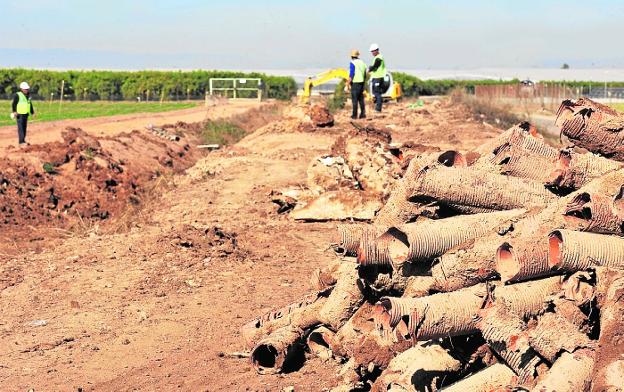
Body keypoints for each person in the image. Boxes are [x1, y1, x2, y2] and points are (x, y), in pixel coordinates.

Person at [348, 49, 367, 119]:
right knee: (361, 99)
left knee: (355, 100)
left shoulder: (352, 63)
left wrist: (347, 83)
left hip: (355, 83)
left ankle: (354, 115)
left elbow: (352, 74)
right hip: (361, 83)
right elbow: (365, 74)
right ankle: (363, 114)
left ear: (351, 56)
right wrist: (363, 81)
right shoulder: (362, 63)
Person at [368, 43, 387, 112]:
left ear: (376, 50)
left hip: (378, 77)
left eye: (373, 51)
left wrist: (370, 69)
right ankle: (377, 107)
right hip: (376, 77)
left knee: (377, 93)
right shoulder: (376, 58)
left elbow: (376, 65)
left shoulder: (379, 57)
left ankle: (378, 109)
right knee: (376, 93)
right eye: (371, 51)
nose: (372, 53)